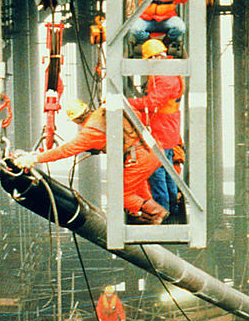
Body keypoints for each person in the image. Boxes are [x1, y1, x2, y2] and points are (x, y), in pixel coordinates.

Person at [13, 98, 167, 223]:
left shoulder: (90, 132)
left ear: (75, 120)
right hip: (153, 149)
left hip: (139, 158)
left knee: (117, 194)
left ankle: (157, 213)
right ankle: (148, 217)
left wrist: (34, 158)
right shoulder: (104, 112)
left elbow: (65, 150)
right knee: (135, 188)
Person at [127, 38, 183, 217]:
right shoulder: (169, 69)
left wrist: (127, 102)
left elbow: (152, 103)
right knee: (168, 172)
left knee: (157, 174)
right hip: (167, 127)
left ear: (151, 58)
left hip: (163, 130)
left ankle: (163, 213)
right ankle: (172, 209)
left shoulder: (165, 77)